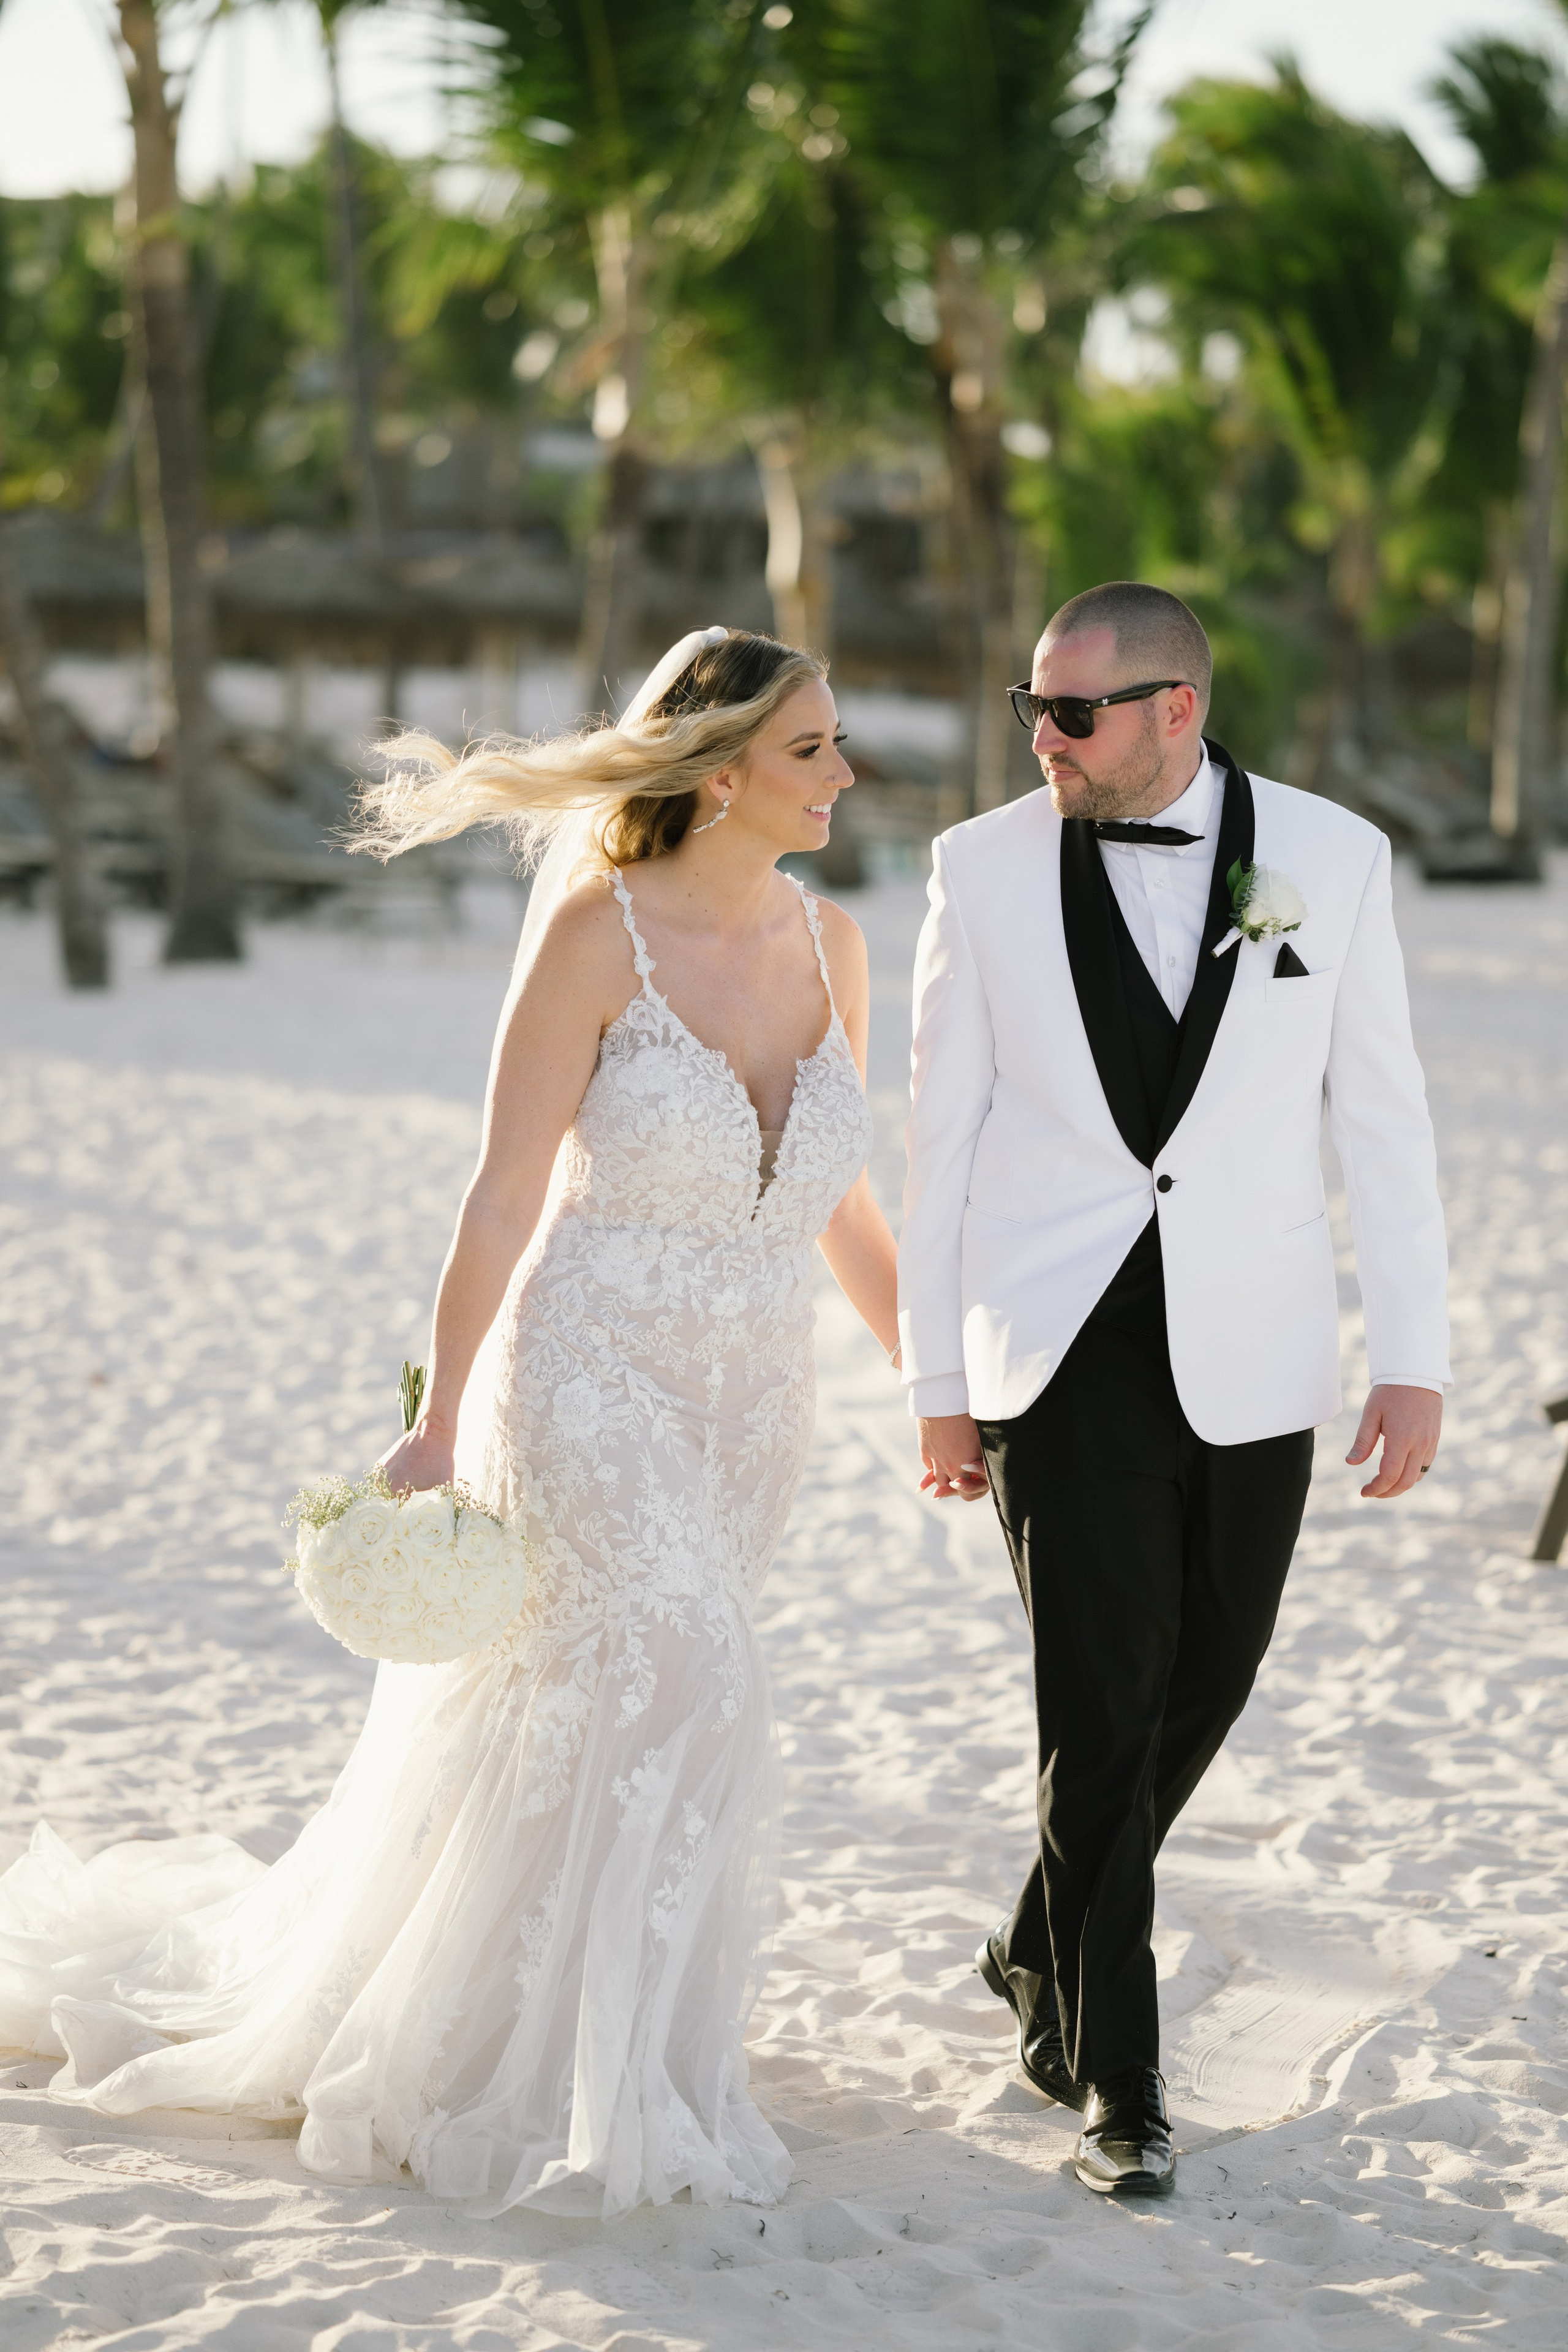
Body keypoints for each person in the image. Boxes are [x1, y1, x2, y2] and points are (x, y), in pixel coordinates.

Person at [0, 627, 899, 2218]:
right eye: (815, 746)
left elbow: (846, 1206)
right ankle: (609, 2087)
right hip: (586, 1373)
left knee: (602, 1708)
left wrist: (948, 1393)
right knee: (702, 1678)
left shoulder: (837, 945)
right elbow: (496, 1198)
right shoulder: (593, 935)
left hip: (752, 1402)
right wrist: (436, 1417)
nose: (845, 772)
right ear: (721, 767)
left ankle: (553, 2032)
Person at [897, 582, 1449, 2198]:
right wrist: (941, 1386)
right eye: (1032, 711)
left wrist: (1410, 1358)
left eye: (1075, 713)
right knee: (1097, 1705)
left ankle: (1031, 1943)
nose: (1045, 740)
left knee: (1207, 1678)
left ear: (1174, 711)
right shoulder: (978, 870)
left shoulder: (1331, 860)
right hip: (1057, 1352)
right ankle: (1118, 2084)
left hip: (1255, 1343)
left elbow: (1385, 1120)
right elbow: (941, 1148)